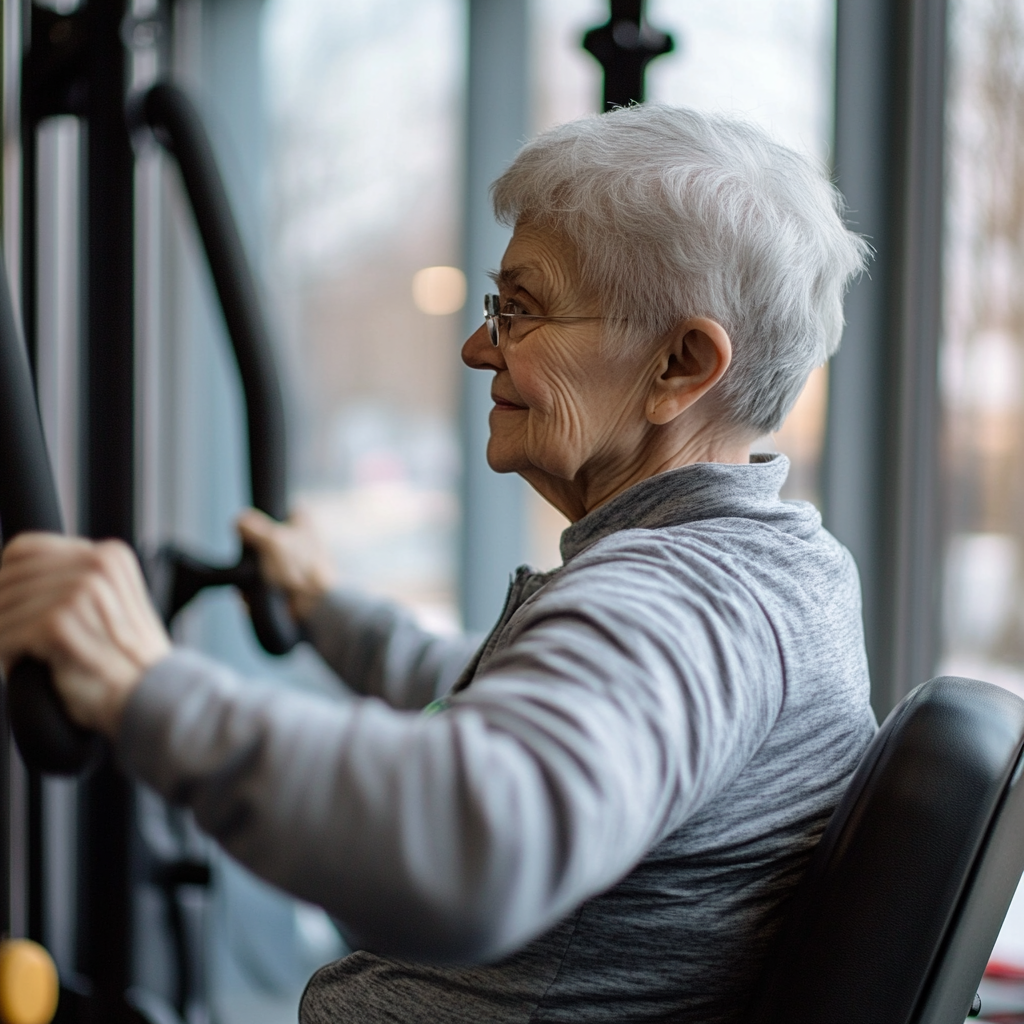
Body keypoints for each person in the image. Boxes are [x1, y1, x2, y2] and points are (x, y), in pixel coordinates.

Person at [0, 104, 876, 1023]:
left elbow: (476, 844)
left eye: (522, 311)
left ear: (681, 364)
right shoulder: (778, 570)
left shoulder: (686, 600)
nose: (477, 347)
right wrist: (324, 605)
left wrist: (145, 686)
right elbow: (491, 690)